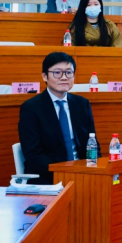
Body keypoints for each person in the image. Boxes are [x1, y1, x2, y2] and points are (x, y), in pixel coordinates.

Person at [18, 52, 101, 184]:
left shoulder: (82, 104)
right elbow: (33, 155)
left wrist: (93, 171)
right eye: (57, 73)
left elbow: (93, 144)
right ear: (44, 76)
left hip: (82, 174)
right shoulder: (31, 108)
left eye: (69, 72)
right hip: (48, 177)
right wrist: (64, 172)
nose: (64, 78)